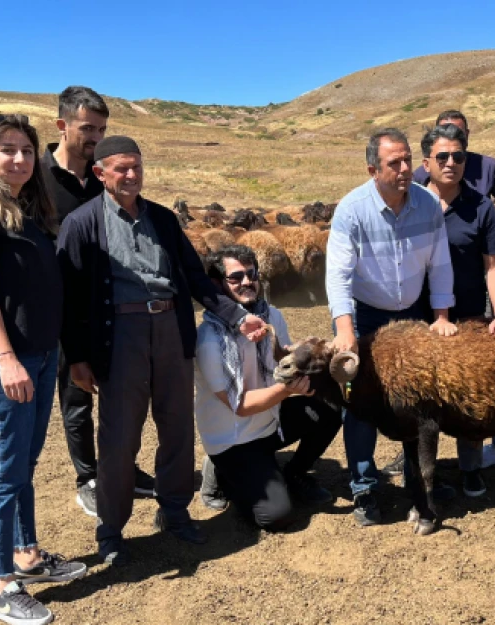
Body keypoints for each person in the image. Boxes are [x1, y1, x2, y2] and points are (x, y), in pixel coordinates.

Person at [57, 136, 267, 565]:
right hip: (120, 336)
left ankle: (174, 511)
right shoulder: (81, 223)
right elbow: (69, 298)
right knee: (118, 437)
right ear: (100, 173)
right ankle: (111, 529)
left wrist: (235, 315)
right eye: (121, 169)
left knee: (176, 427)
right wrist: (76, 357)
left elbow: (194, 276)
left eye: (137, 167)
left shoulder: (163, 220)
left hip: (171, 328)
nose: (131, 175)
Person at [0, 113, 86, 625]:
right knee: (5, 472)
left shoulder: (25, 209)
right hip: (5, 361)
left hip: (39, 354)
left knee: (23, 465)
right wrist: (6, 358)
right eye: (8, 149)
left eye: (27, 150)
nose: (20, 159)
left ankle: (25, 556)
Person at [326, 127, 458, 526]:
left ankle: (418, 485)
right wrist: (345, 329)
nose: (405, 169)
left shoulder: (428, 204)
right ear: (372, 169)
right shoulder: (351, 210)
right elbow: (339, 274)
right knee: (360, 404)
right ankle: (364, 488)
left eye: (407, 161)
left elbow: (440, 263)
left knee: (420, 403)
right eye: (393, 163)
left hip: (414, 313)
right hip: (366, 315)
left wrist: (441, 317)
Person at [38, 86, 155, 517]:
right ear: (62, 125)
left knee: (120, 393)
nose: (95, 137)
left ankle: (121, 466)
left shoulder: (103, 178)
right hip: (64, 309)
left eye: (102, 129)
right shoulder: (39, 180)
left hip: (112, 306)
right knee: (76, 396)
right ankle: (87, 477)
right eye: (88, 128)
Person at [382, 124, 495, 498]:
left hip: (467, 314)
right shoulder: (411, 201)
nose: (451, 162)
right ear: (427, 162)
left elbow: (494, 265)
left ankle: (470, 468)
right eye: (442, 157)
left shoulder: (481, 206)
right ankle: (418, 473)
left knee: (465, 394)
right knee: (415, 398)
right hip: (418, 317)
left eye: (458, 156)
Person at [194, 245, 343, 529]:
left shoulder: (271, 315)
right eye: (236, 277)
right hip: (234, 439)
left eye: (251, 274)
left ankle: (295, 473)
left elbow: (283, 360)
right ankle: (222, 471)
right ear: (216, 284)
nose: (247, 282)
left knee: (331, 404)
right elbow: (240, 405)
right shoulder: (210, 340)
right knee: (275, 516)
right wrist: (287, 390)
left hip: (270, 422)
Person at [412, 110, 495, 199]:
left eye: (458, 133)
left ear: (467, 134)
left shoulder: (489, 167)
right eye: (445, 132)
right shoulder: (420, 175)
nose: (452, 136)